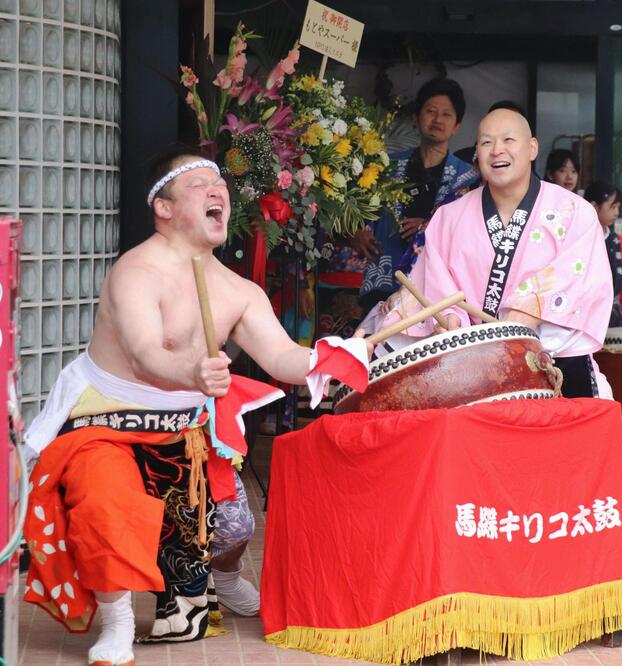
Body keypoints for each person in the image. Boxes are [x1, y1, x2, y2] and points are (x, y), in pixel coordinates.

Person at [22, 150, 367, 666]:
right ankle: (117, 619)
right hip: (108, 420)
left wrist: (334, 355)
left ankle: (225, 579)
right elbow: (145, 353)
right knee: (105, 502)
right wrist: (191, 373)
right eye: (201, 184)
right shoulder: (134, 271)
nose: (218, 192)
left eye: (221, 185)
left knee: (232, 524)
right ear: (162, 207)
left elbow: (280, 356)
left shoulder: (237, 289)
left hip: (184, 428)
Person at [383, 108, 622, 629]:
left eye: (507, 139)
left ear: (531, 148)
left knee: (615, 461)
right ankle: (495, 588)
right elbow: (433, 289)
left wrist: (525, 311)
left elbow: (578, 276)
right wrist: (386, 336)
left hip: (557, 361)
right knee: (487, 482)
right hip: (479, 367)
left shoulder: (573, 212)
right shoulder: (452, 217)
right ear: (475, 155)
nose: (496, 149)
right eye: (484, 142)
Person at [351, 78, 478, 313]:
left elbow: (470, 234)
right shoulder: (384, 164)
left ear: (457, 125)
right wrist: (355, 232)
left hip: (434, 291)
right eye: (430, 111)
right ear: (416, 117)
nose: (438, 119)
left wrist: (429, 226)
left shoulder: (468, 177)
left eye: (446, 114)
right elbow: (351, 207)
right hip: (381, 279)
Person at [584, 181, 622, 328]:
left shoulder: (617, 241)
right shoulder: (580, 239)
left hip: (614, 312)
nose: (617, 212)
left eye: (618, 207)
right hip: (586, 313)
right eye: (612, 207)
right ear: (594, 207)